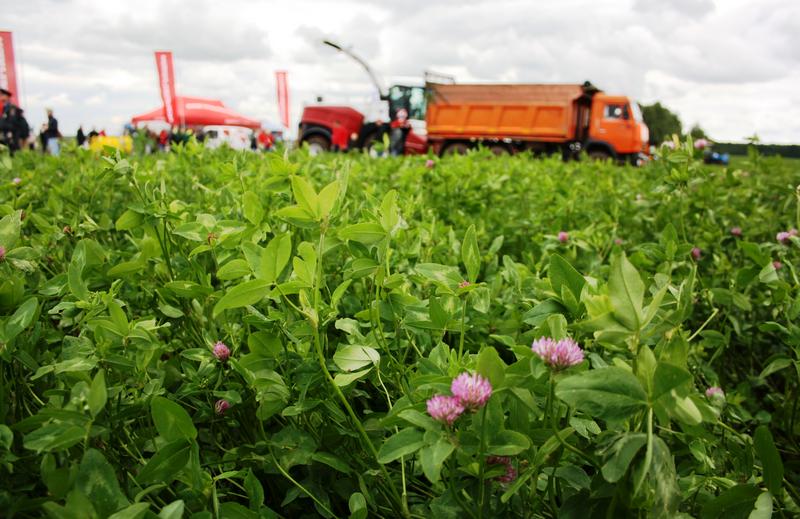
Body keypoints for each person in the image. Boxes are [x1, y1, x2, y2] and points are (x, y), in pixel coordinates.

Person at [0, 87, 18, 152]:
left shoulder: (11, 107)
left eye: (2, 95)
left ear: (7, 96)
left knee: (11, 152)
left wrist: (10, 132)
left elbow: (13, 122)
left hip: (10, 134)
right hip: (5, 133)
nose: (0, 96)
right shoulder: (5, 108)